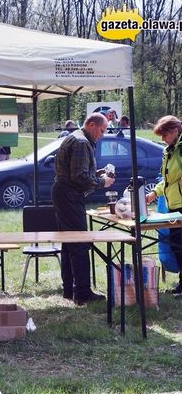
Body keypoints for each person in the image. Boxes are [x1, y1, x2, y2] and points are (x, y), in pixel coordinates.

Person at [51, 113, 115, 305]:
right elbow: (78, 176)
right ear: (92, 125)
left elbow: (77, 172)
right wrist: (103, 182)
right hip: (69, 195)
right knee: (79, 243)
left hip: (64, 193)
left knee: (68, 242)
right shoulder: (81, 142)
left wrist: (96, 174)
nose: (102, 135)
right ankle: (83, 293)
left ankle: (70, 290)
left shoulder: (76, 138)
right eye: (102, 131)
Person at [145, 115, 182, 295]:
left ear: (175, 131)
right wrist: (154, 193)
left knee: (179, 244)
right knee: (176, 245)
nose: (162, 139)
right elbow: (167, 180)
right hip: (173, 205)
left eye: (164, 135)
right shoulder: (169, 150)